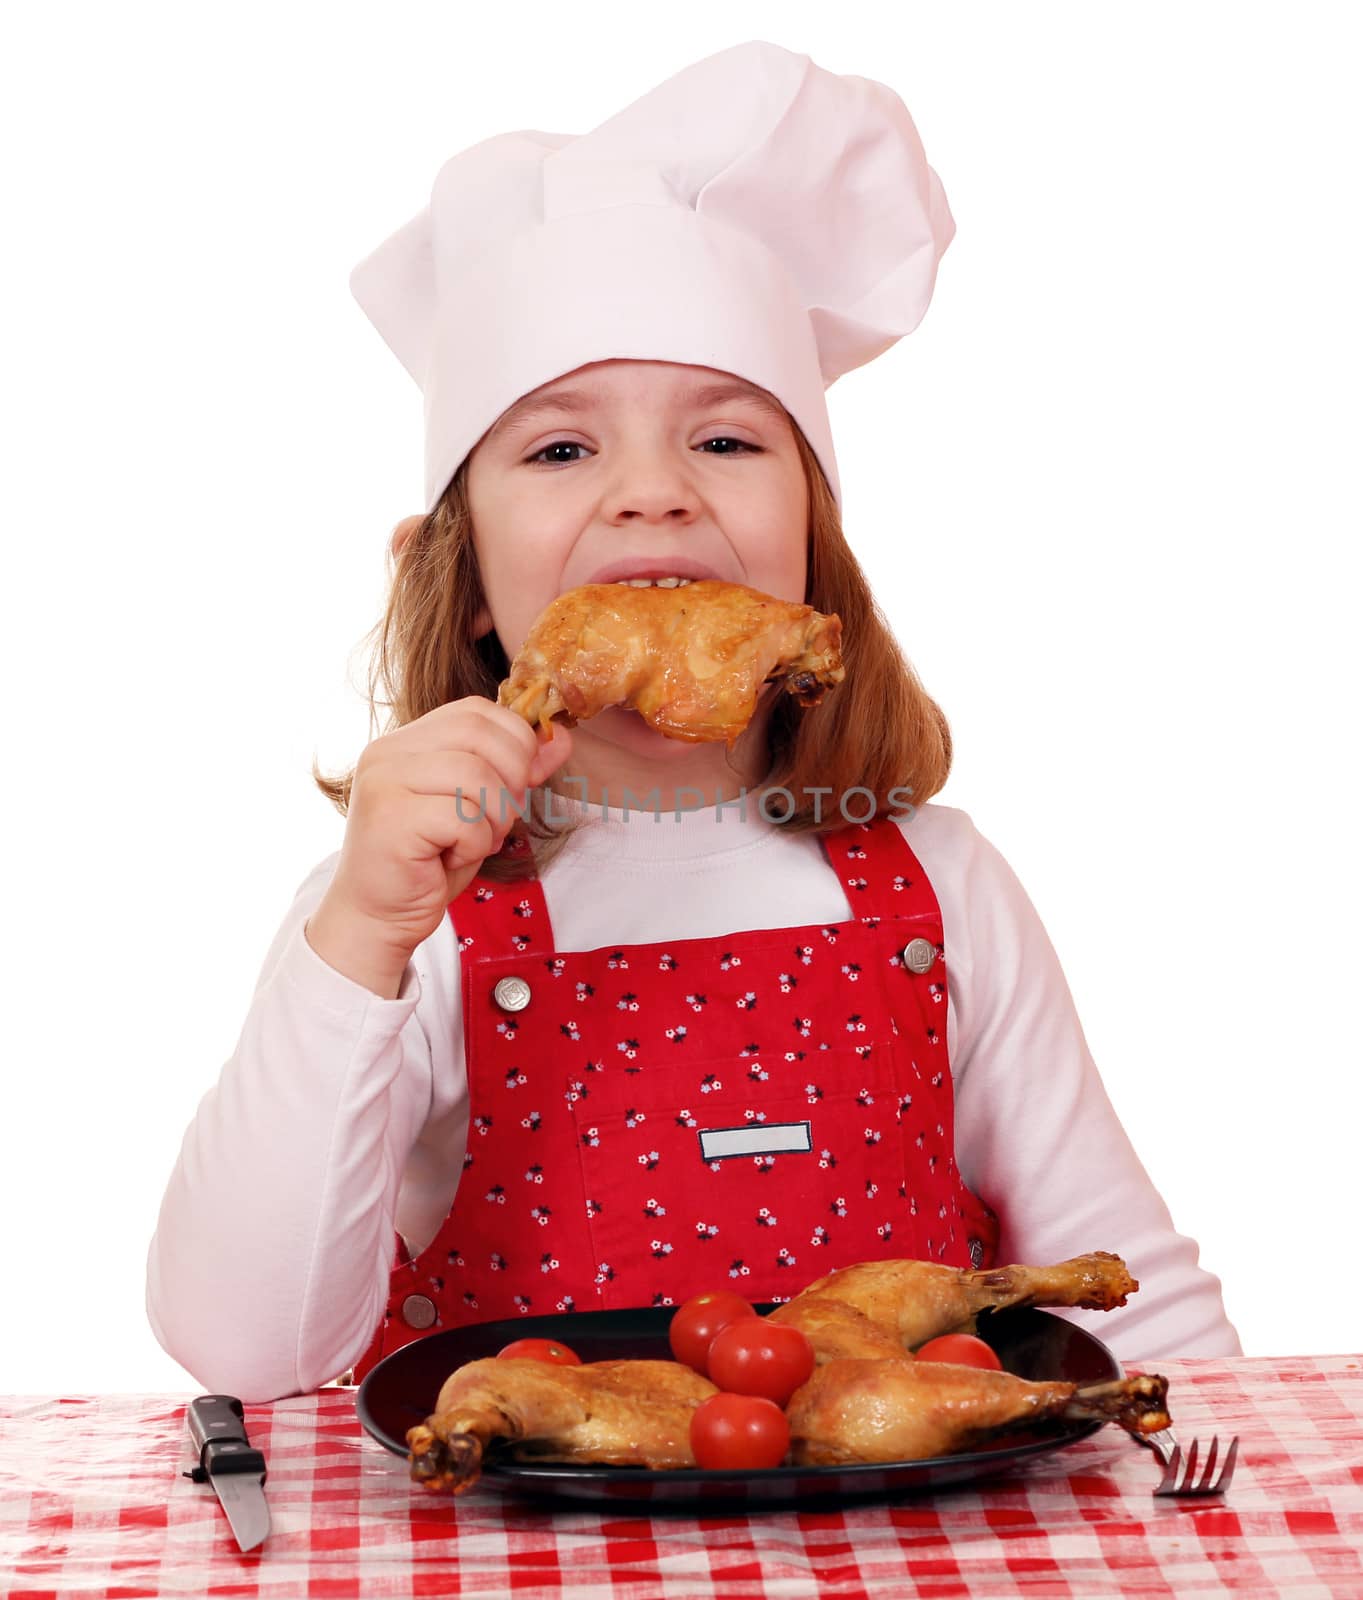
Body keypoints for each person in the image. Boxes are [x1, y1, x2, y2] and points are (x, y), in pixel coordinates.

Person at [146, 40, 1240, 1403]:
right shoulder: (412, 913)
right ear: (468, 585)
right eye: (559, 447)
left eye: (727, 439)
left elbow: (1125, 1285)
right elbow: (248, 1350)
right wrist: (360, 936)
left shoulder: (945, 884)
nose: (653, 492)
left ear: (809, 569)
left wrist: (1231, 1470)